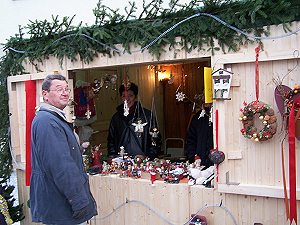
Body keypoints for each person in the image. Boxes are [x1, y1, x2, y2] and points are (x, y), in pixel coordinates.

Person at [30, 74, 97, 225]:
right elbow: (61, 166)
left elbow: (61, 155)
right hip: (60, 208)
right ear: (45, 95)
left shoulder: (55, 118)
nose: (65, 92)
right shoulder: (47, 122)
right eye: (59, 89)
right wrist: (80, 201)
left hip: (63, 206)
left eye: (66, 89)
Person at [107, 82, 160, 160]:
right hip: (122, 161)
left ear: (135, 97)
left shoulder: (147, 116)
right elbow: (111, 140)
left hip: (143, 161)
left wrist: (147, 156)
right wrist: (112, 157)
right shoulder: (116, 118)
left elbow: (155, 139)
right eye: (123, 96)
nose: (127, 99)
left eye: (130, 96)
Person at [185, 102, 214, 168]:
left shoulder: (220, 115)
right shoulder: (197, 118)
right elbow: (191, 140)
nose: (207, 104)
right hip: (200, 162)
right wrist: (192, 157)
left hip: (218, 161)